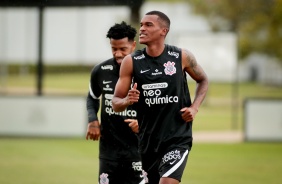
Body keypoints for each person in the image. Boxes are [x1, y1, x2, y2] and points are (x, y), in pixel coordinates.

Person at [112, 11, 209, 184]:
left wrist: (194, 107)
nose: (142, 29)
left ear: (164, 31)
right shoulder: (131, 61)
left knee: (166, 182)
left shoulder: (181, 57)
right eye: (141, 24)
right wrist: (127, 100)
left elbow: (203, 80)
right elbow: (116, 103)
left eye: (148, 25)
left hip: (177, 138)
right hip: (148, 141)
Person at [85, 21, 146, 184]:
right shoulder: (100, 71)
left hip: (139, 150)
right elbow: (92, 97)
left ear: (133, 45)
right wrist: (92, 119)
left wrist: (143, 123)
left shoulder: (146, 71)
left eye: (122, 49)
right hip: (109, 151)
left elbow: (160, 106)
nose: (118, 54)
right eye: (114, 48)